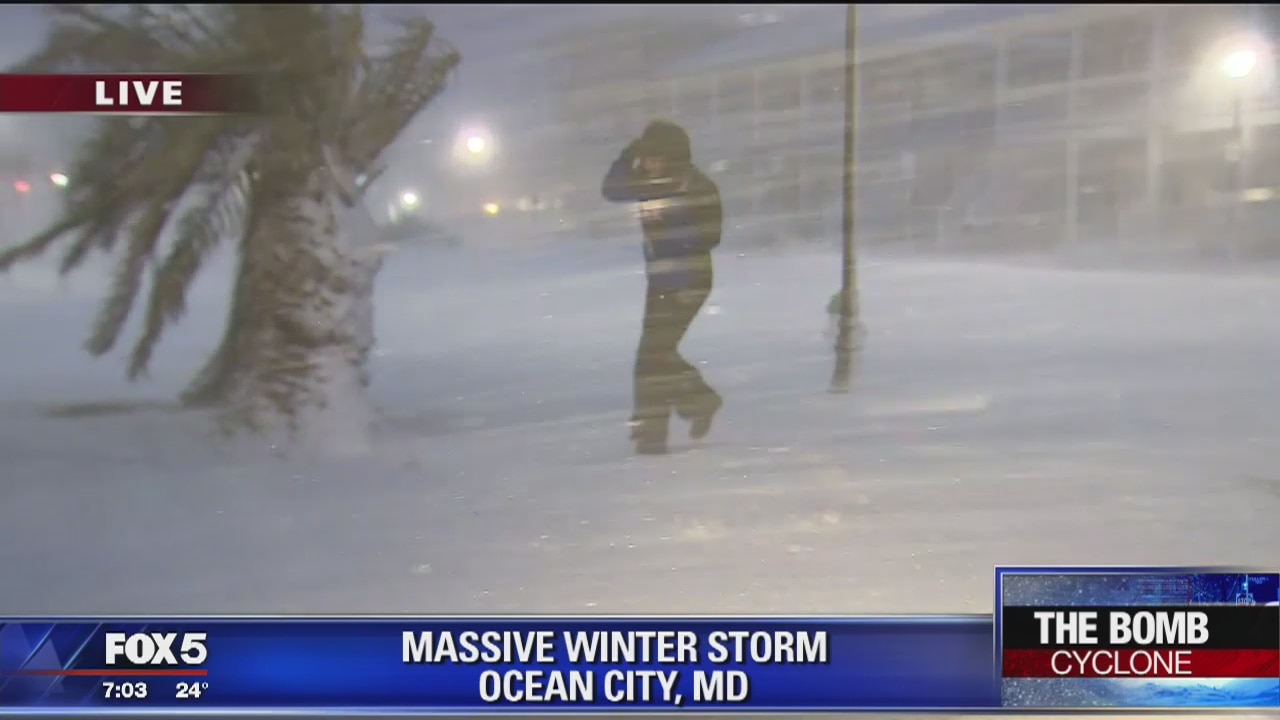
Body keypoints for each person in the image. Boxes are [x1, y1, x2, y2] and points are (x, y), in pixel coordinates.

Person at [601, 120, 723, 455]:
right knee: (653, 356)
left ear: (672, 156)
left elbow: (710, 235)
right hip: (660, 280)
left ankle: (658, 428)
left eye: (655, 157)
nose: (649, 163)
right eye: (646, 157)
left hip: (690, 280)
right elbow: (611, 189)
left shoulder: (696, 186)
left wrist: (674, 236)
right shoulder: (650, 182)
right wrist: (627, 155)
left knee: (654, 355)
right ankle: (683, 411)